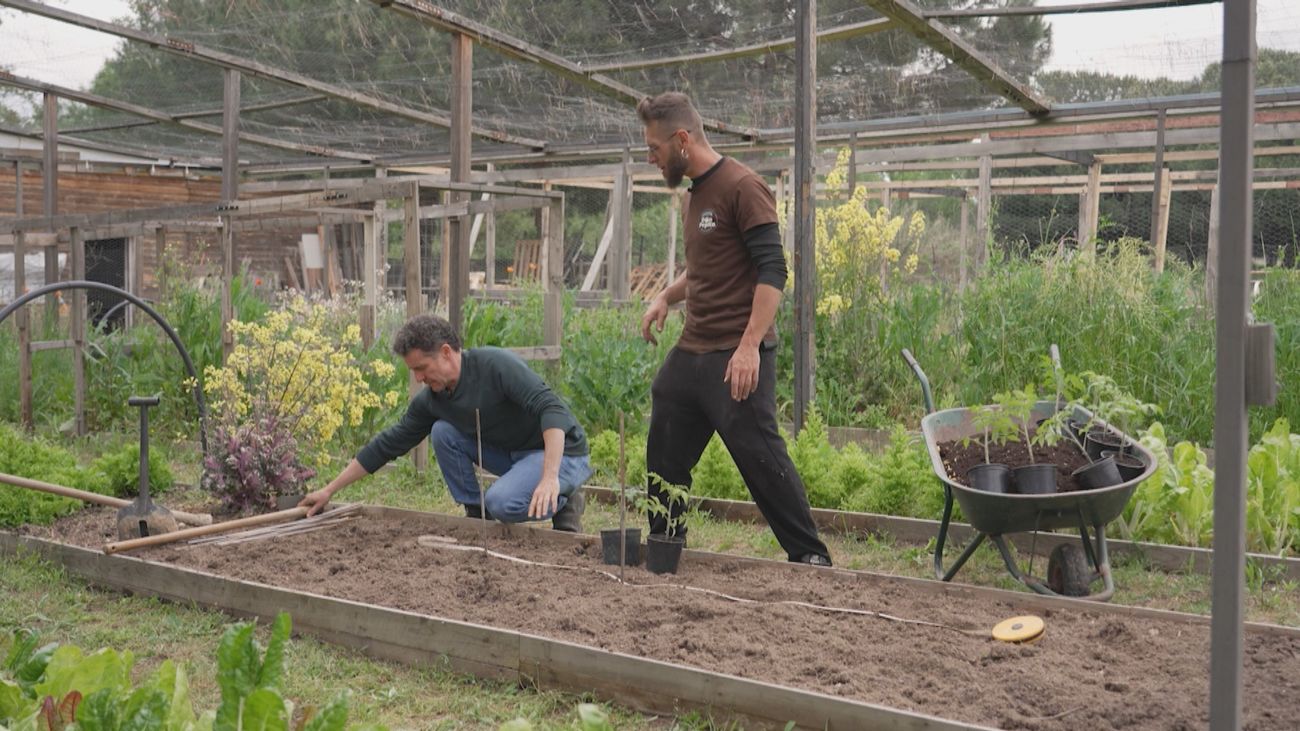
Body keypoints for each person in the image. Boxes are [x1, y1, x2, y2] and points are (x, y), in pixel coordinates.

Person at [636, 91, 833, 567]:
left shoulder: (743, 186)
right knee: (665, 441)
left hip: (736, 353)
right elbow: (706, 268)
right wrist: (666, 295)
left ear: (682, 139)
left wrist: (748, 348)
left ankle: (809, 555)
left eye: (655, 149)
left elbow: (772, 271)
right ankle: (666, 545)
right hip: (693, 348)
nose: (651, 157)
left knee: (759, 455)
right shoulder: (696, 195)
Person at [300, 314, 592, 531]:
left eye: (421, 368)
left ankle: (565, 498)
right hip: (515, 456)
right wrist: (329, 490)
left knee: (502, 502)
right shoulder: (434, 400)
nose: (418, 378)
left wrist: (549, 476)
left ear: (446, 353)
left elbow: (552, 410)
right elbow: (387, 444)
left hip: (562, 454)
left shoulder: (495, 366)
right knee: (443, 431)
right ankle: (477, 516)